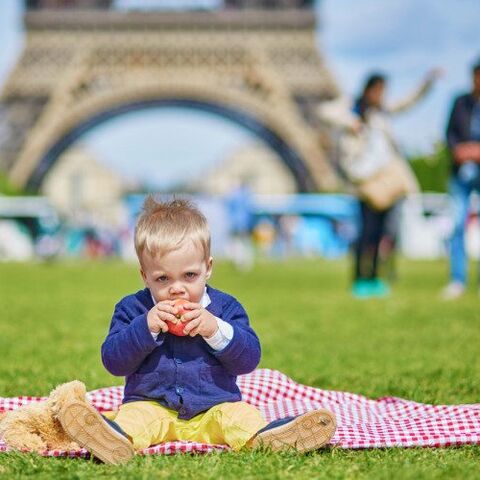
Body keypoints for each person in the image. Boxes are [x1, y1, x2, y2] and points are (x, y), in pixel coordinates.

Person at [57, 197, 336, 464]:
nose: (177, 288)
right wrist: (146, 327)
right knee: (133, 420)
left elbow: (249, 359)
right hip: (151, 406)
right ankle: (113, 440)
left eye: (189, 275)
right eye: (163, 278)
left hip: (214, 408)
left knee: (242, 417)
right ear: (145, 276)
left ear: (208, 268)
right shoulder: (133, 309)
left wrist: (214, 330)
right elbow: (113, 362)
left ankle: (272, 438)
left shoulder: (225, 308)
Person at [318, 69, 441, 298]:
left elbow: (407, 103)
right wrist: (351, 122)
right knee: (367, 231)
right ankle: (359, 279)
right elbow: (324, 111)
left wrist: (427, 83)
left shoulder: (382, 112)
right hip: (365, 180)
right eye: (378, 90)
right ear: (368, 90)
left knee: (382, 232)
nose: (381, 95)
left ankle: (374, 277)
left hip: (387, 180)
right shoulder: (351, 107)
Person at [442, 59, 480, 299]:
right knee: (457, 225)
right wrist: (459, 150)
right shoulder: (460, 102)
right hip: (461, 171)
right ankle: (458, 279)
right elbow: (449, 134)